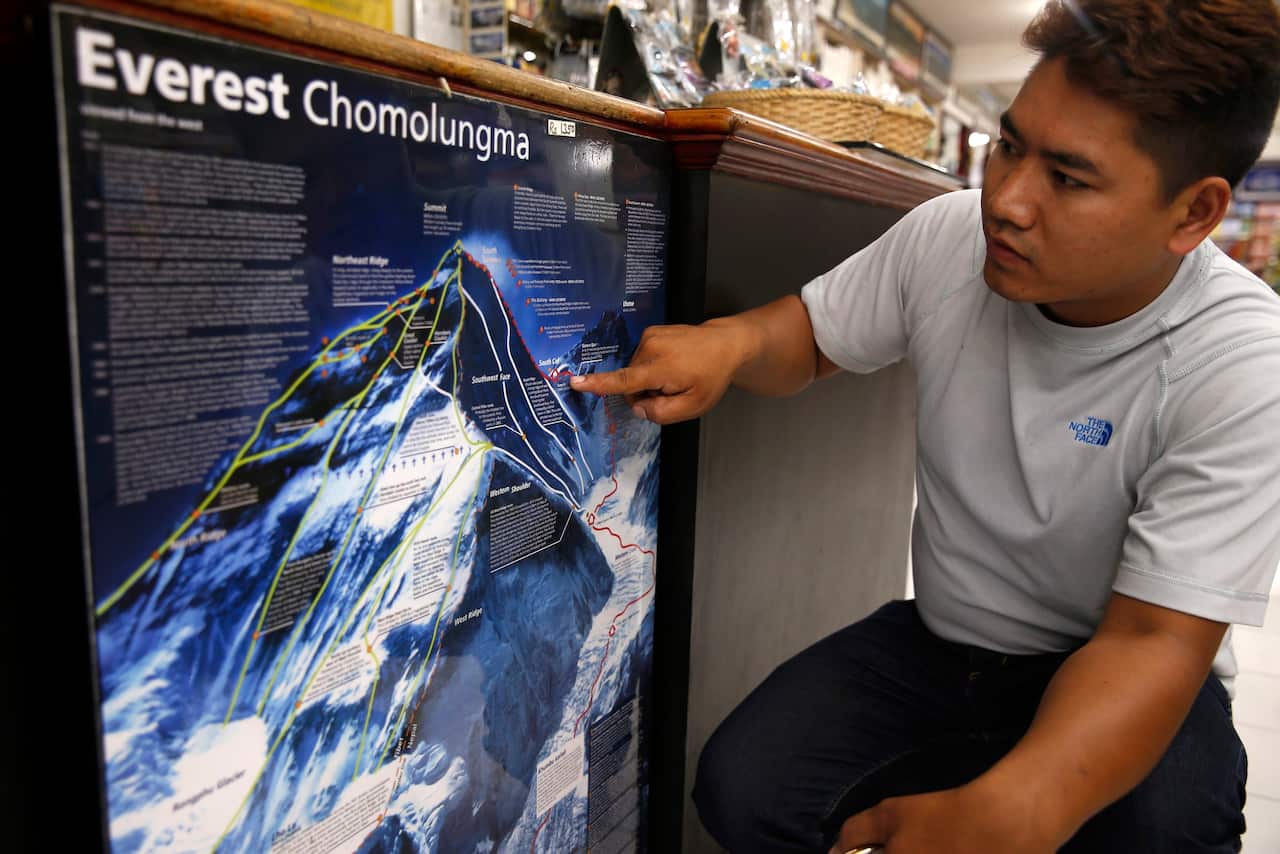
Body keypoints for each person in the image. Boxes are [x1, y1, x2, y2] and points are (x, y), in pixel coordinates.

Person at [571, 1, 1280, 851]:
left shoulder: (1241, 361)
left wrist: (1019, 809)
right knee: (745, 788)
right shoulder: (949, 240)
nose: (1007, 201)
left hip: (1120, 662)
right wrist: (728, 345)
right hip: (945, 642)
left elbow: (1154, 642)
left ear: (1193, 214)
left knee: (1165, 831)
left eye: (1069, 178)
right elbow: (812, 336)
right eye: (1009, 146)